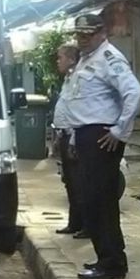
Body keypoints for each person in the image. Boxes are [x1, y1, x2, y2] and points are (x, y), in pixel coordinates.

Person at [67, 12, 140, 279]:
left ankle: (113, 263)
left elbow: (134, 93)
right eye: (79, 35)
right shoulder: (87, 59)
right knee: (90, 201)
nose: (82, 40)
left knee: (101, 201)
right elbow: (82, 102)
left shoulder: (110, 58)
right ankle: (104, 258)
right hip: (87, 136)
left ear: (102, 33)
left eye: (87, 35)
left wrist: (120, 130)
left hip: (102, 137)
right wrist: (76, 137)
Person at [51, 43, 87, 238]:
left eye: (61, 58)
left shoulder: (78, 79)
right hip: (64, 135)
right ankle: (74, 223)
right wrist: (58, 136)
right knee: (70, 182)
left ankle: (86, 225)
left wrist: (72, 137)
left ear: (71, 60)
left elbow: (77, 111)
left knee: (79, 183)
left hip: (74, 136)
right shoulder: (67, 80)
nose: (58, 61)